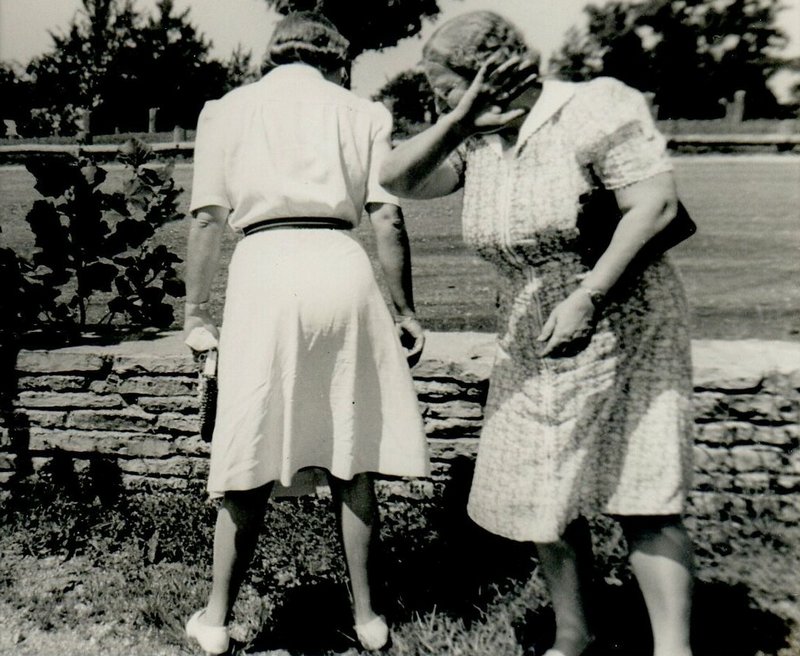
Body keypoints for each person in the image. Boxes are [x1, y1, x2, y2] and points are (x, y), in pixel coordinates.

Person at [380, 11, 695, 656]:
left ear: (492, 73)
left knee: (643, 487)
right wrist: (458, 120)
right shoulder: (477, 139)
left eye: (446, 88)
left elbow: (655, 204)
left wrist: (588, 295)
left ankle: (673, 647)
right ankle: (574, 632)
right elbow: (397, 180)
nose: (442, 101)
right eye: (443, 94)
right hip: (531, 330)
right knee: (540, 486)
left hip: (622, 316)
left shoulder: (595, 105)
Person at [182, 12, 429, 654]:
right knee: (351, 449)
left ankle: (214, 620)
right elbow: (388, 220)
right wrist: (405, 312)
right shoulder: (364, 113)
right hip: (340, 267)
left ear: (273, 55)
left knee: (250, 442)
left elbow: (208, 221)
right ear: (334, 58)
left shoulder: (226, 110)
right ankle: (371, 620)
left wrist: (194, 311)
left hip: (264, 270)